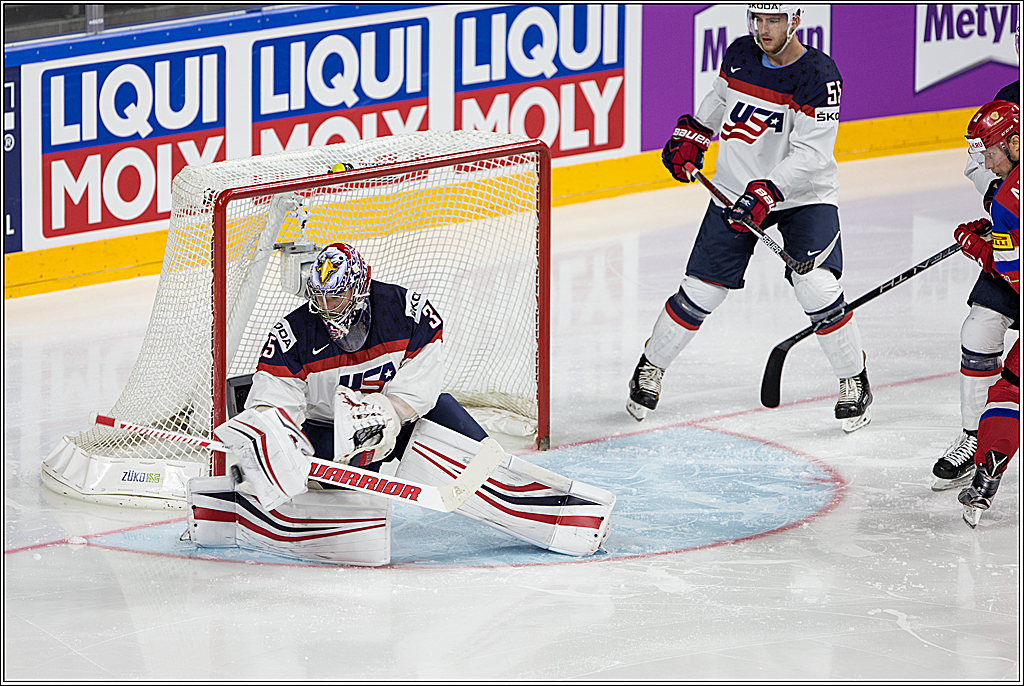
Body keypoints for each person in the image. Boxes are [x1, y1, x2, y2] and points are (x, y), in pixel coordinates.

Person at [189, 232, 614, 564]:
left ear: (359, 288)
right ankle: (256, 510)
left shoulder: (404, 310)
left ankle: (543, 509)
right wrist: (278, 443)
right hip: (328, 431)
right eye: (320, 297)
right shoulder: (292, 334)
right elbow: (272, 402)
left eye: (337, 295)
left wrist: (390, 411)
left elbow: (425, 381)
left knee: (472, 447)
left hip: (400, 414)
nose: (328, 306)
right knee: (348, 511)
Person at [628, 4, 871, 432]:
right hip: (736, 191)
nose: (763, 29)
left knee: (815, 286)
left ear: (795, 21)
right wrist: (694, 134)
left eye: (773, 20)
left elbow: (812, 156)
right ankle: (650, 366)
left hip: (802, 197)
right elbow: (720, 100)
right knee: (700, 291)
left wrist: (769, 190)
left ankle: (854, 379)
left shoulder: (818, 75)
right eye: (758, 19)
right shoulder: (740, 53)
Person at [932, 82, 1020, 491]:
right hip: (1010, 231)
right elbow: (981, 158)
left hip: (1011, 246)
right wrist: (1000, 199)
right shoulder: (1010, 96)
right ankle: (975, 438)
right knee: (979, 330)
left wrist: (982, 247)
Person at [951, 100, 1019, 527]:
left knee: (1010, 391)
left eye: (990, 153)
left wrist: (979, 247)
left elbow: (1016, 279)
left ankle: (985, 477)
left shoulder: (1008, 204)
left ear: (1015, 143)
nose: (986, 164)